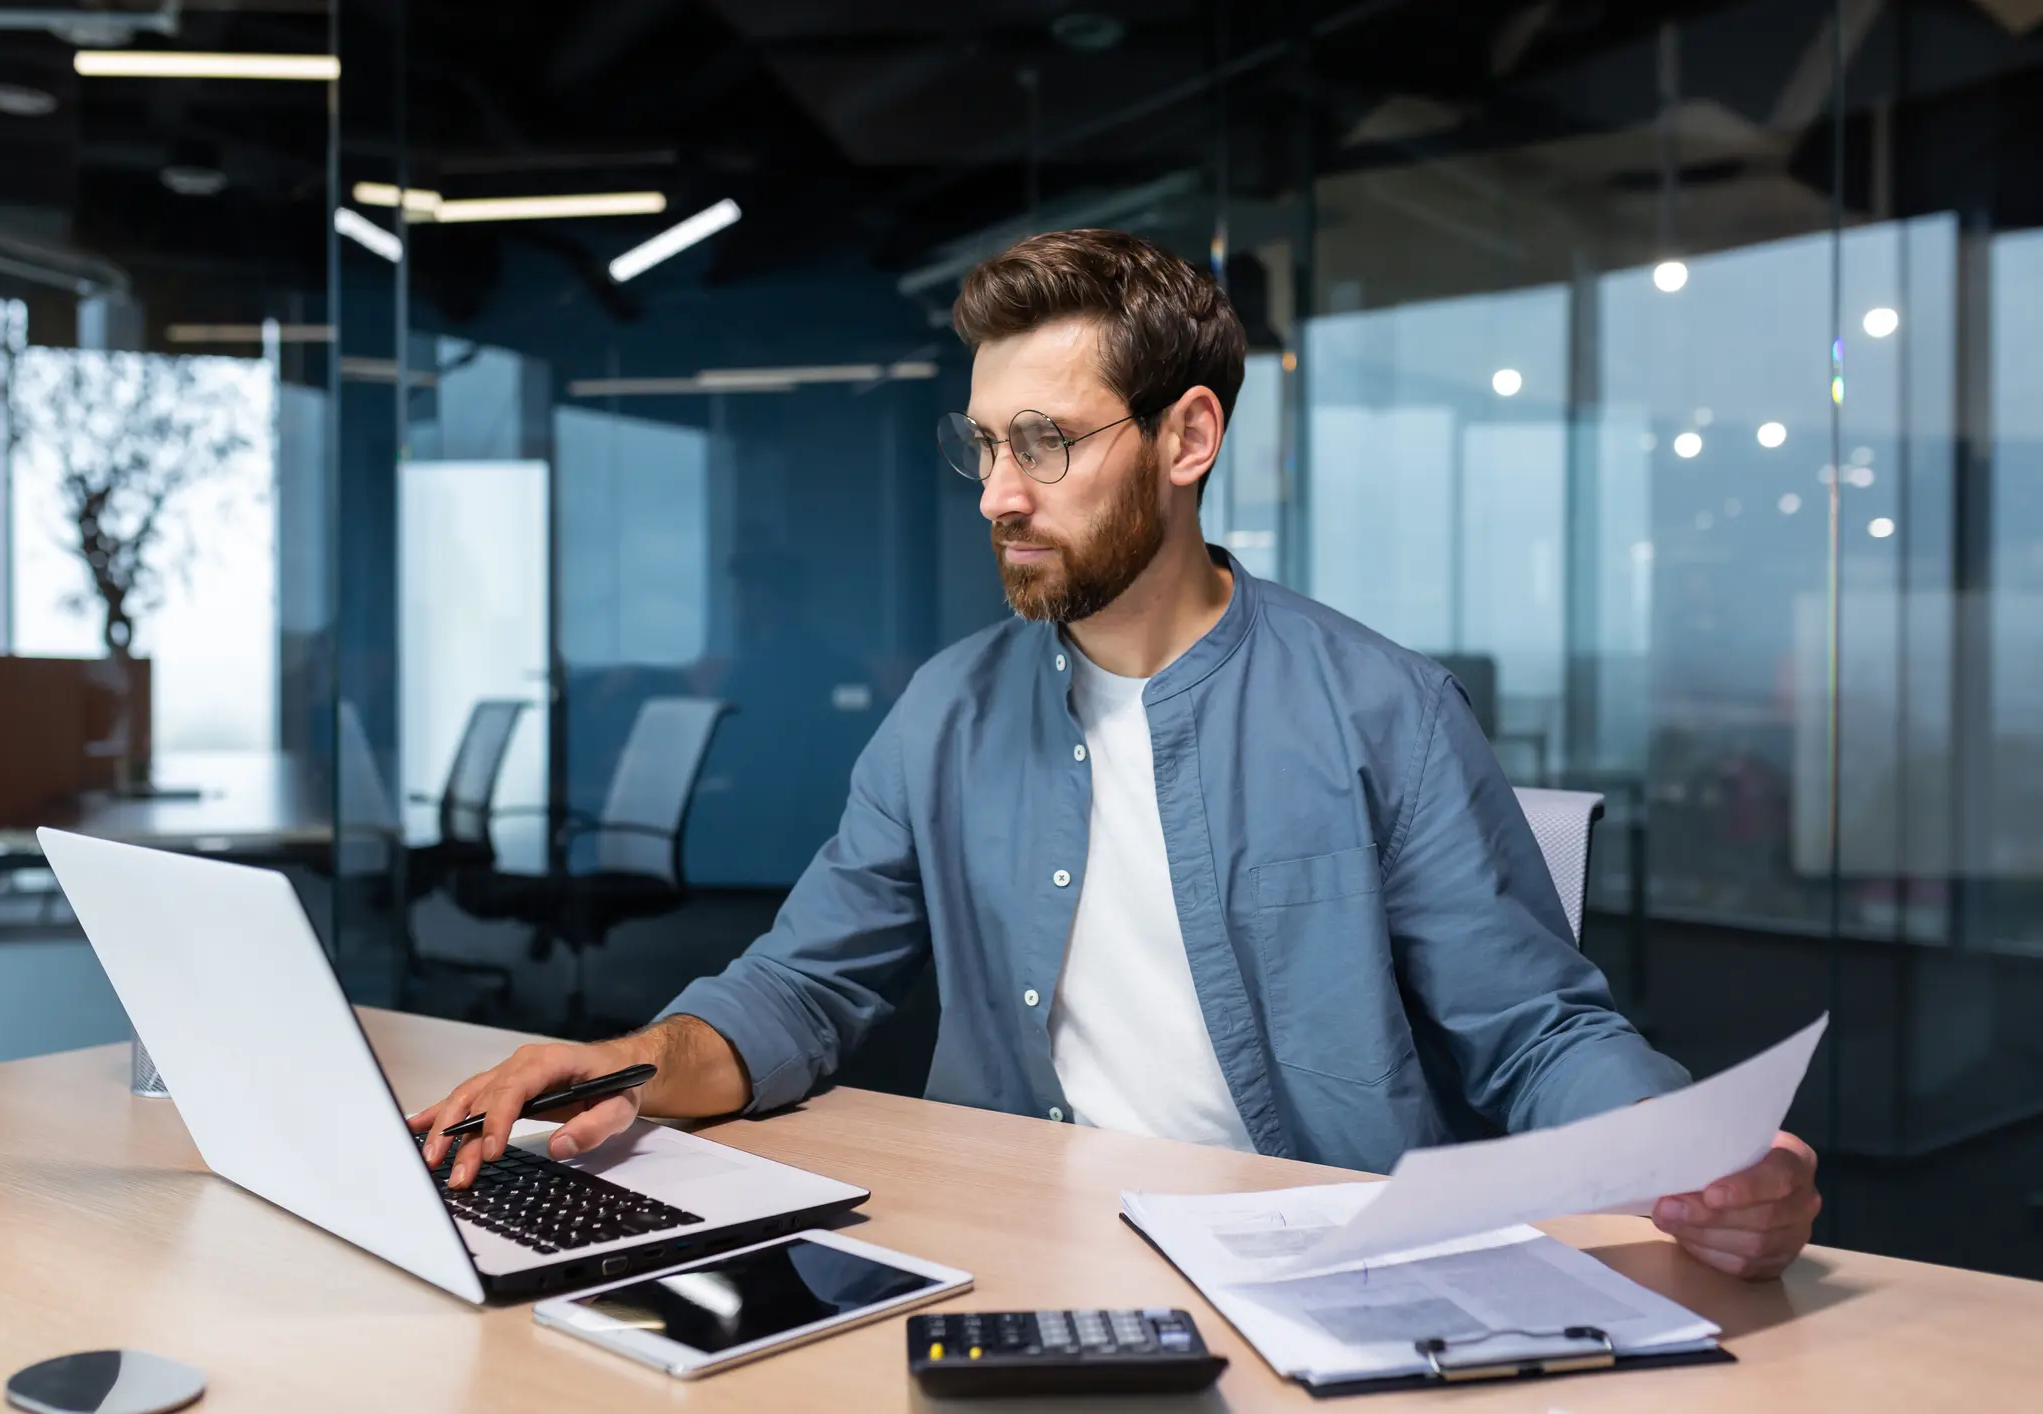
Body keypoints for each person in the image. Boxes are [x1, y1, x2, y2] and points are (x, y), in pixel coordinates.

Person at [412, 229, 1821, 1281]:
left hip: (1321, 1269)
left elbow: (1534, 1032)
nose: (1002, 496)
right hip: (1010, 1251)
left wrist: (1696, 1156)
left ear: (1188, 435)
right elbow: (802, 985)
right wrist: (629, 1062)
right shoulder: (946, 715)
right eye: (984, 448)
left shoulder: (1382, 706)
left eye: (1046, 442)